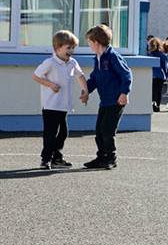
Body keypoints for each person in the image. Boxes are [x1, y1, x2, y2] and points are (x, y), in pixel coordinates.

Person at [32, 30, 88, 169]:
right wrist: (50, 84)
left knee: (63, 133)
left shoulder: (72, 62)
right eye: (68, 47)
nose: (71, 51)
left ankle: (56, 158)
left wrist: (85, 91)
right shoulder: (50, 63)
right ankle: (45, 159)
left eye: (73, 48)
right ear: (57, 48)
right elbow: (36, 76)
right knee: (50, 134)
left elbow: (80, 76)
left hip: (64, 105)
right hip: (51, 105)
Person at [81, 24, 132, 169]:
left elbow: (127, 75)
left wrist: (124, 93)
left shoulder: (112, 57)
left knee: (107, 131)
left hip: (116, 101)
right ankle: (101, 157)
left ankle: (111, 158)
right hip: (105, 101)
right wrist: (86, 91)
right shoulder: (97, 58)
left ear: (96, 42)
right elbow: (95, 78)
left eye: (89, 42)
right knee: (99, 131)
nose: (89, 45)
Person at [147, 36, 168, 113]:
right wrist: (166, 74)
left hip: (152, 75)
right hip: (161, 75)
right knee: (159, 91)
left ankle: (153, 103)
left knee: (153, 91)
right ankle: (157, 105)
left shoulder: (149, 55)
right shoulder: (162, 55)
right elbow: (167, 66)